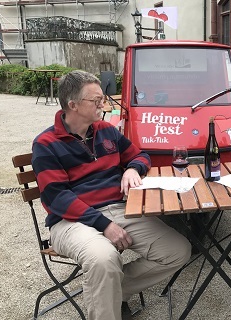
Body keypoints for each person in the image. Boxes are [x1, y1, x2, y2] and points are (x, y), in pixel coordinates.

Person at [32, 70, 191, 320]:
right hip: (70, 221)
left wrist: (131, 168)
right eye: (95, 101)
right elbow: (56, 198)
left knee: (178, 250)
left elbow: (141, 155)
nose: (103, 104)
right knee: (103, 258)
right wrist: (104, 225)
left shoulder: (106, 130)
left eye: (102, 98)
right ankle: (106, 298)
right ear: (72, 105)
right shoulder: (46, 143)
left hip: (118, 209)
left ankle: (112, 290)